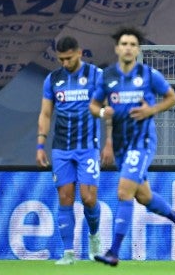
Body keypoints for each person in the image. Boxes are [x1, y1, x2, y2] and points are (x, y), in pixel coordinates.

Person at [89, 27, 175, 267]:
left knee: (124, 192)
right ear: (117, 48)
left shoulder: (148, 75)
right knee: (143, 196)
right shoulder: (108, 77)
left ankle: (113, 251)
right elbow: (94, 106)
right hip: (122, 145)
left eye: (133, 44)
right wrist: (104, 116)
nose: (128, 47)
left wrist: (150, 110)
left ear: (137, 49)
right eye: (124, 43)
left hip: (142, 142)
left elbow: (172, 98)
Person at [36, 36, 103, 265]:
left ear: (79, 53)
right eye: (61, 59)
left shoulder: (96, 76)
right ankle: (68, 253)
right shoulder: (53, 79)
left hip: (88, 147)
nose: (65, 63)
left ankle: (94, 237)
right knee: (65, 198)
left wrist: (111, 142)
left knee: (88, 198)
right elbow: (46, 113)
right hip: (61, 148)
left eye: (69, 58)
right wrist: (40, 144)